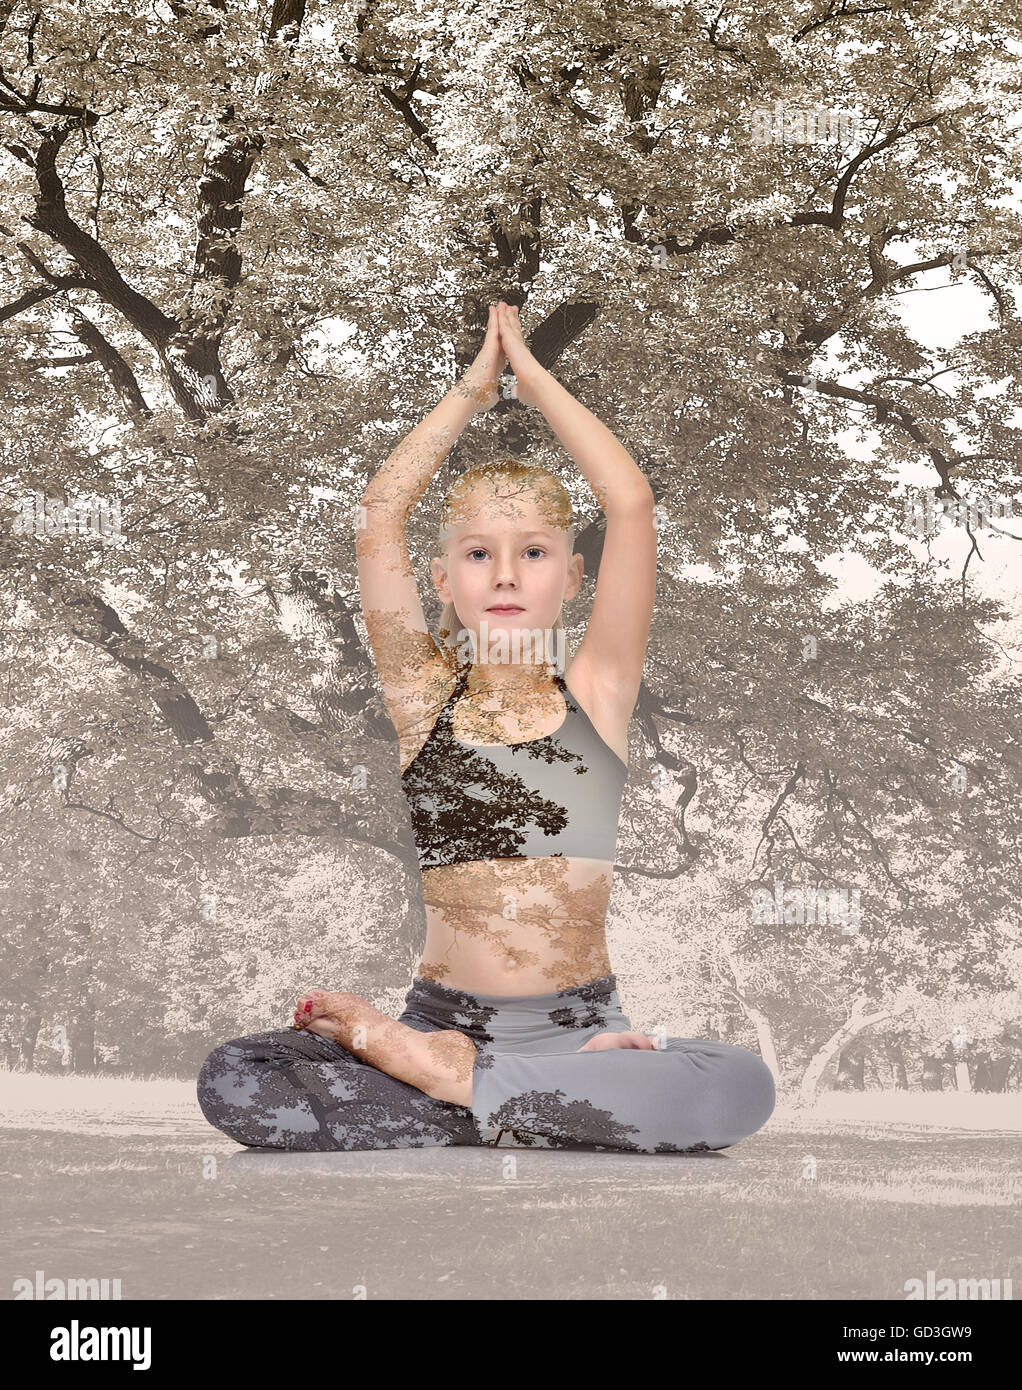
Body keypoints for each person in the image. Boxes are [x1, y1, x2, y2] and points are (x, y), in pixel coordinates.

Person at [196, 302, 776, 1152]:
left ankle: (466, 1093)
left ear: (574, 575)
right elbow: (379, 514)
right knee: (237, 1077)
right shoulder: (422, 696)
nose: (506, 573)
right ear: (443, 574)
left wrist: (533, 380)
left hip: (583, 1027)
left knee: (738, 1085)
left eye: (534, 551)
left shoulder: (599, 692)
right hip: (444, 1022)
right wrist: (473, 388)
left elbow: (632, 503)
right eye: (478, 552)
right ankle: (539, 1102)